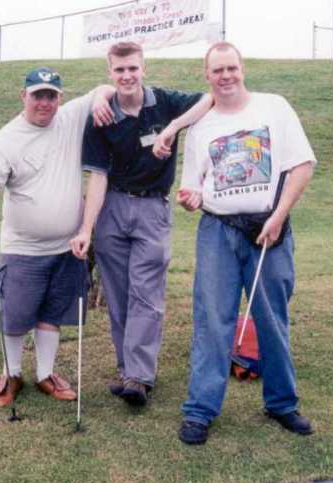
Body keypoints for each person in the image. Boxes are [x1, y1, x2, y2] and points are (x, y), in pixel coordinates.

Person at [176, 42, 317, 445]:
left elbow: (302, 165)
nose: (225, 76)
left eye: (231, 68)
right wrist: (192, 200)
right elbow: (192, 189)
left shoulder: (274, 107)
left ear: (243, 69)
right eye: (217, 70)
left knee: (272, 318)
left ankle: (282, 404)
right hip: (218, 233)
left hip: (269, 231)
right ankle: (200, 411)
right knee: (212, 321)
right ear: (207, 76)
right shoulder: (201, 127)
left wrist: (277, 216)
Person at [70, 42, 212, 407]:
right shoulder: (101, 116)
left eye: (132, 68)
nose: (127, 76)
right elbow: (98, 177)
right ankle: (126, 370)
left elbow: (209, 99)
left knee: (146, 292)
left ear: (143, 68)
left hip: (153, 208)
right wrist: (87, 229)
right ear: (110, 73)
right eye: (119, 71)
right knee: (117, 294)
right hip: (113, 207)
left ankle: (140, 377)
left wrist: (173, 129)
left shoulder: (164, 102)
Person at [0, 67, 115, 408]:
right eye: (38, 95)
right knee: (17, 314)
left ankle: (45, 374)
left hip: (66, 246)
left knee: (52, 313)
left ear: (59, 99)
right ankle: (12, 373)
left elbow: (104, 85)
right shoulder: (7, 138)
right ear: (24, 96)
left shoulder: (69, 117)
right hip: (23, 247)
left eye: (51, 95)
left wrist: (99, 99)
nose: (44, 102)